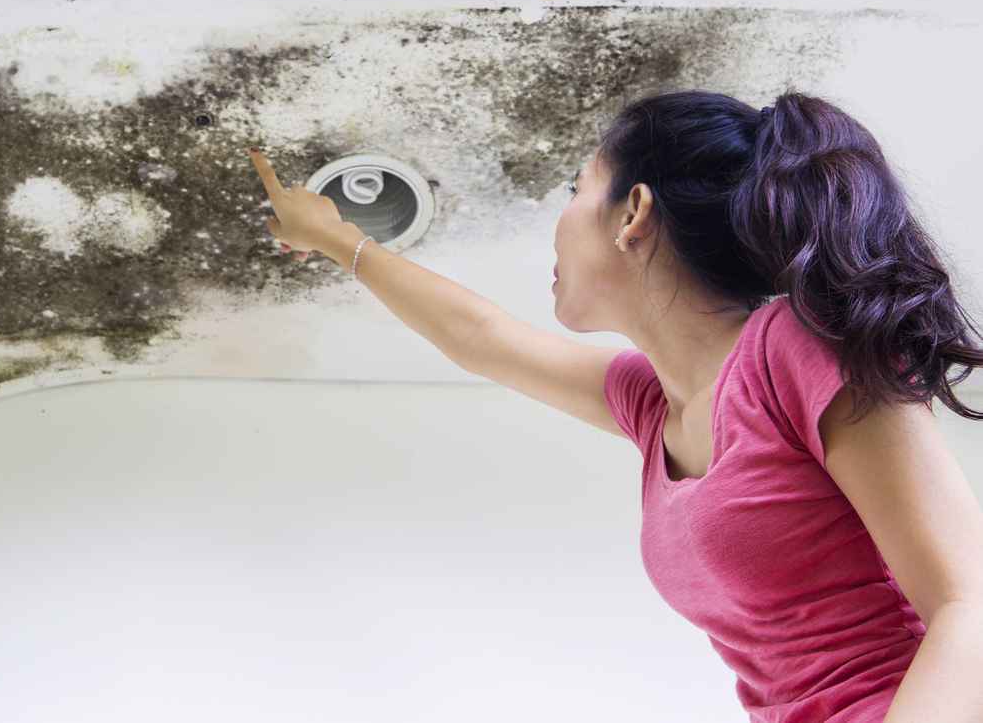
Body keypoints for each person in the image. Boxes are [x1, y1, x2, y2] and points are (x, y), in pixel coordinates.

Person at [247, 87, 983, 723]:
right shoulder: (652, 406)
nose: (559, 219)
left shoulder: (798, 348)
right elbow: (483, 338)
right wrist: (338, 242)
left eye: (575, 189)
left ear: (633, 212)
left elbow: (969, 606)